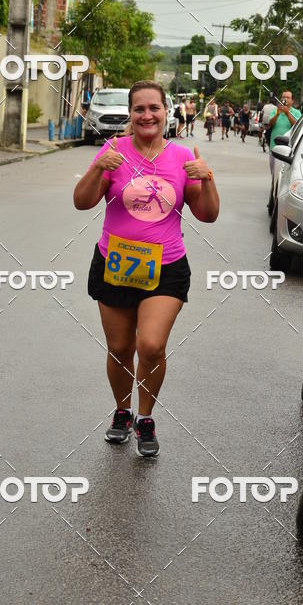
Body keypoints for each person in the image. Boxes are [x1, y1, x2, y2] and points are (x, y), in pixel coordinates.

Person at [73, 80, 220, 458]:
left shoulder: (181, 158)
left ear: (166, 111)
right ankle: (122, 412)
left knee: (150, 345)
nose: (147, 115)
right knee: (120, 348)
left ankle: (145, 416)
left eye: (153, 108)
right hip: (115, 264)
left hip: (166, 267)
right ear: (130, 114)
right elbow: (82, 202)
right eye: (139, 109)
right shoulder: (114, 151)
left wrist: (208, 180)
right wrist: (97, 169)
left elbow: (207, 214)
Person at [268, 90, 301, 174]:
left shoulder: (296, 113)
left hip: (289, 150)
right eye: (283, 97)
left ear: (292, 101)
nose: (285, 99)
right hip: (274, 148)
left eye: (288, 97)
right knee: (274, 173)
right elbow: (270, 124)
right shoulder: (275, 110)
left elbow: (297, 126)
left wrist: (287, 113)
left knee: (285, 174)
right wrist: (277, 114)